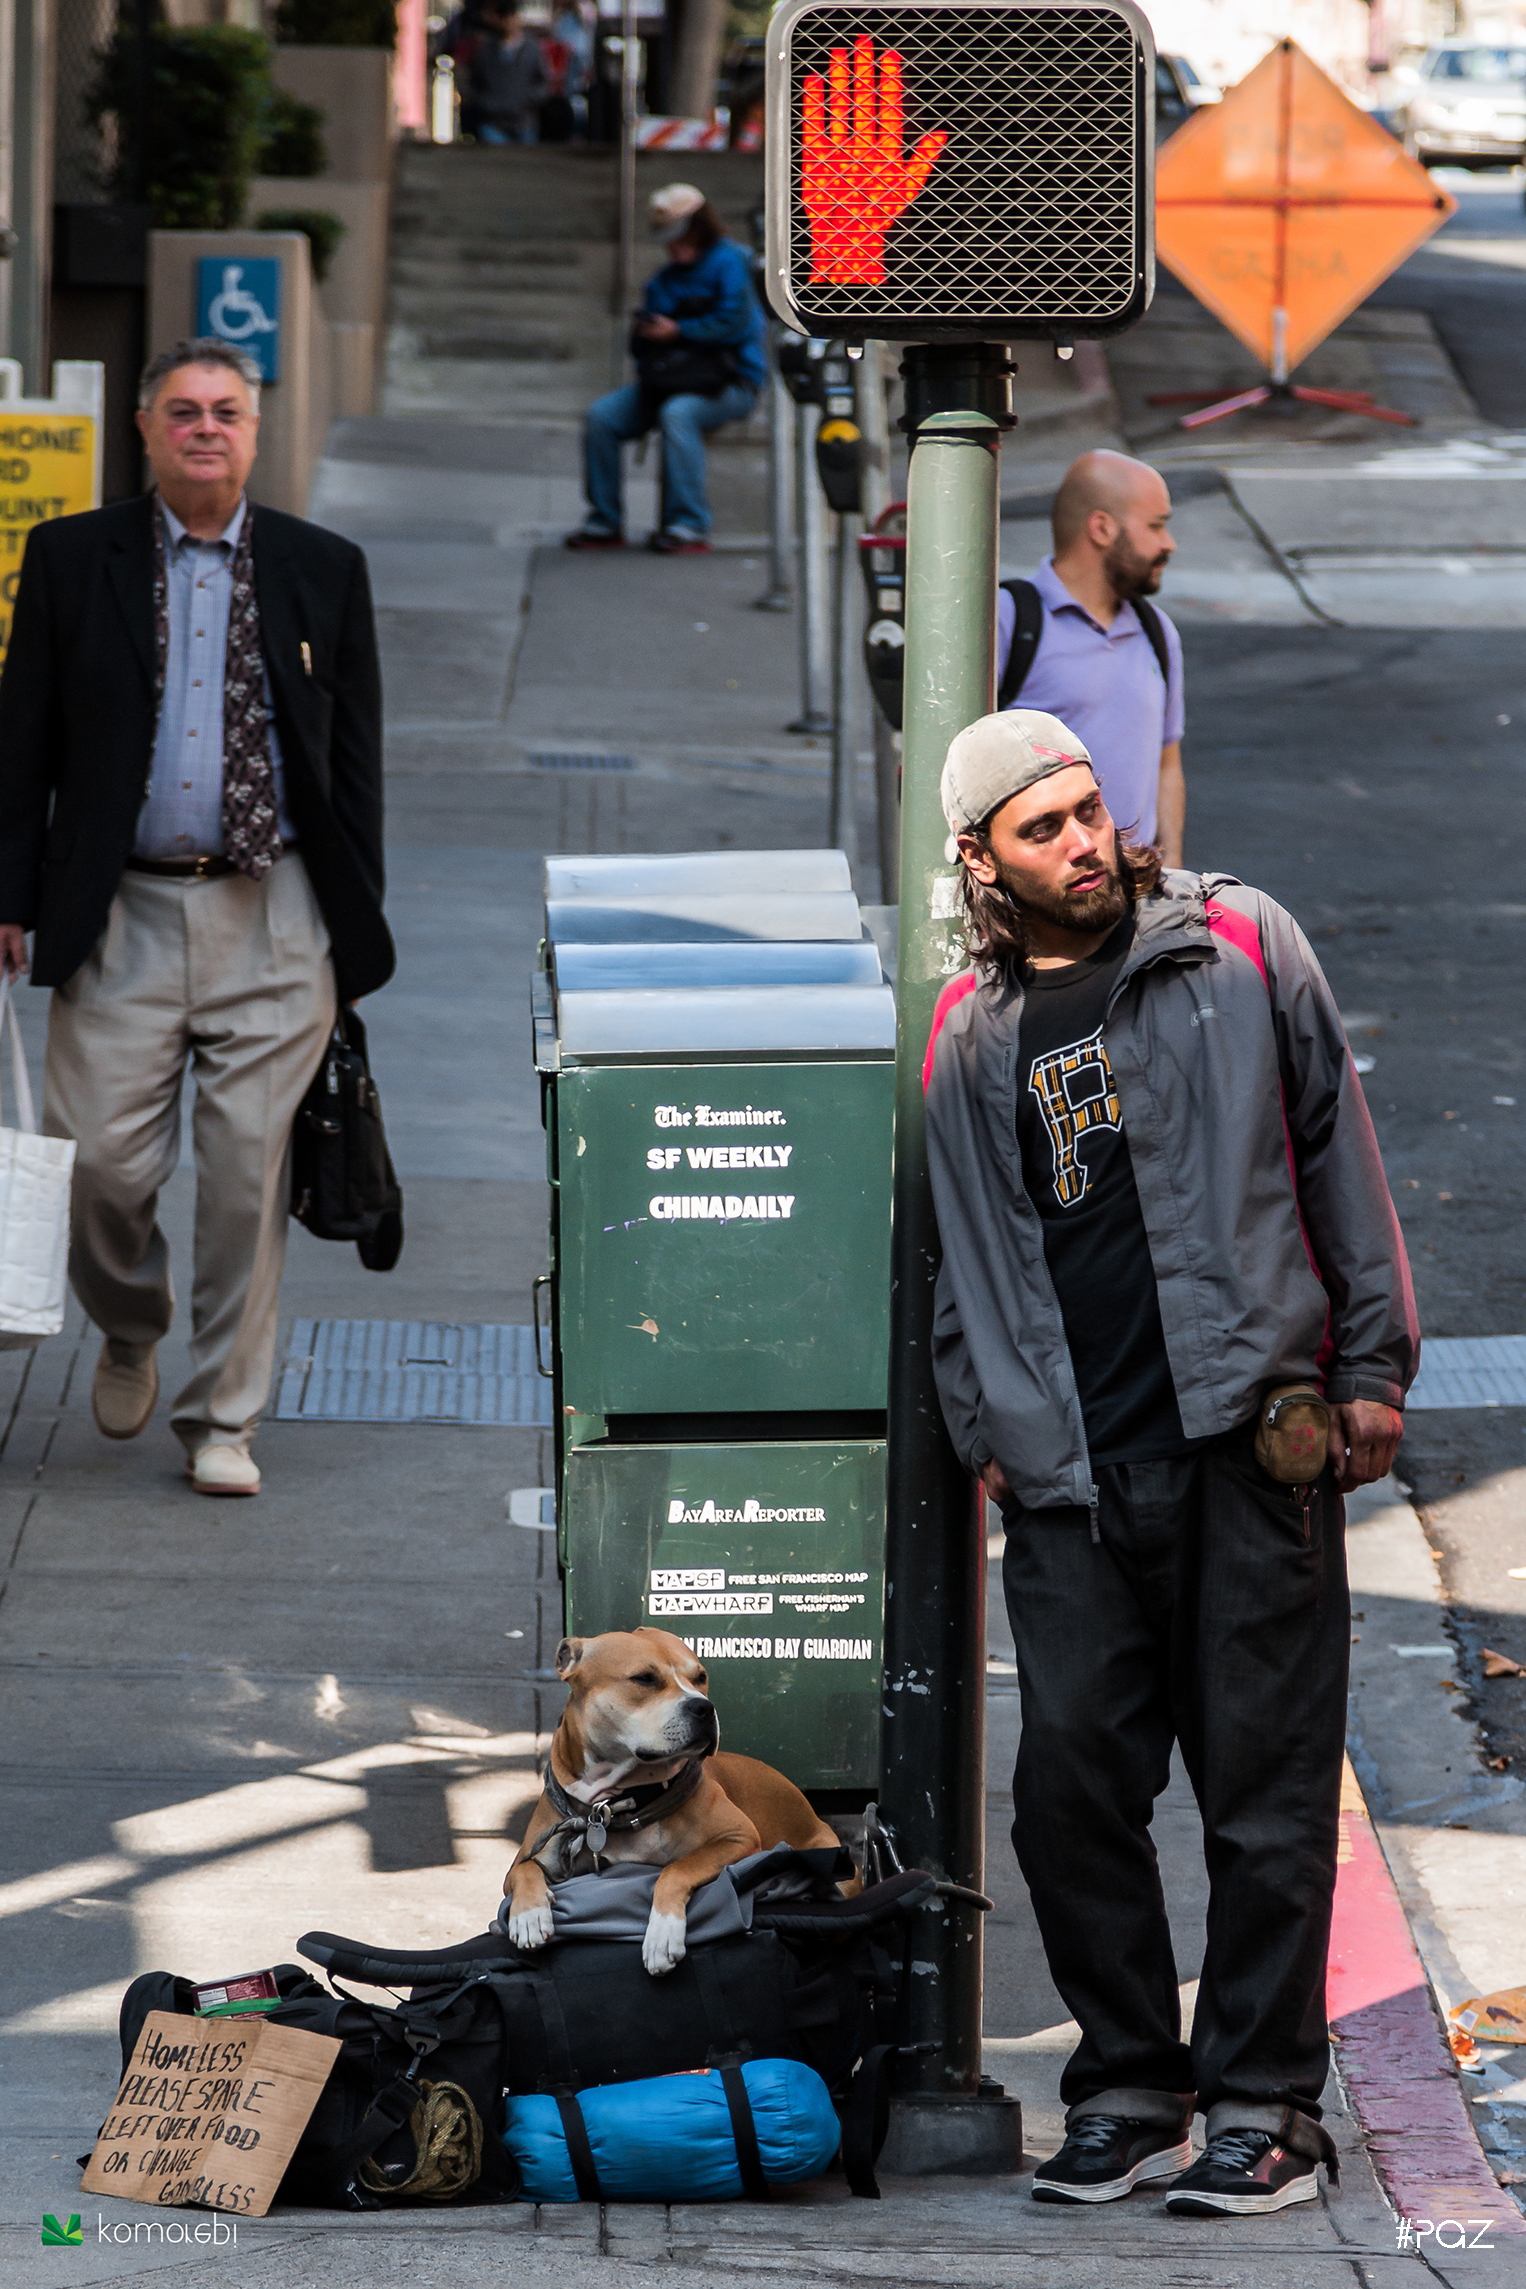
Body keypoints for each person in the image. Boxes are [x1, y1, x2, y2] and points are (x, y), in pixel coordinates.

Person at [923, 710, 1417, 2220]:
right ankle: (1130, 2086)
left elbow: (1337, 1151)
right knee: (1067, 1793)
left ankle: (1264, 2106)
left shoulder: (1237, 944)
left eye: (1090, 809)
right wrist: (983, 1426)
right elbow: (957, 1256)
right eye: (1045, 827)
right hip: (1071, 1480)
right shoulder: (967, 1031)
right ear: (981, 861)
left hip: (1242, 1451)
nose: (1085, 842)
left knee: (1262, 1799)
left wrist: (1371, 1367)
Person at [0, 339, 393, 1497]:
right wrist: (10, 898)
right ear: (146, 427)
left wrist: (352, 922)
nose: (205, 428)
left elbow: (355, 763)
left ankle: (222, 1419)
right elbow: (22, 742)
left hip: (273, 914)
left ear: (255, 431)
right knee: (98, 1171)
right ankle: (131, 1322)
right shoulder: (72, 557)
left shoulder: (323, 566)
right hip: (118, 910)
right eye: (183, 411)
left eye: (226, 411)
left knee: (244, 1181)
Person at [997, 450, 1186, 868]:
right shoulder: (1007, 620)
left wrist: (1171, 873)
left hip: (1135, 889)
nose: (1168, 543)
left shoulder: (1157, 630)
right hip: (1042, 891)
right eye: (1156, 526)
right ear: (1101, 528)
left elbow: (1166, 763)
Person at [566, 184, 765, 556]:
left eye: (680, 237)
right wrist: (648, 330)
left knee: (678, 414)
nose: (673, 247)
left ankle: (688, 523)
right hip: (670, 379)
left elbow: (736, 325)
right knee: (601, 418)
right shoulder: (666, 277)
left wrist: (679, 331)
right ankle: (604, 520)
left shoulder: (733, 261)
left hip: (730, 380)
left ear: (698, 229)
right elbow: (642, 341)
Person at [467, 1, 547, 145]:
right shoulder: (486, 50)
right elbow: (475, 82)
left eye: (511, 16)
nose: (509, 22)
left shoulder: (532, 49)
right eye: (504, 17)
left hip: (524, 122)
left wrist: (527, 100)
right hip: (492, 122)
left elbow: (542, 82)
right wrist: (486, 103)